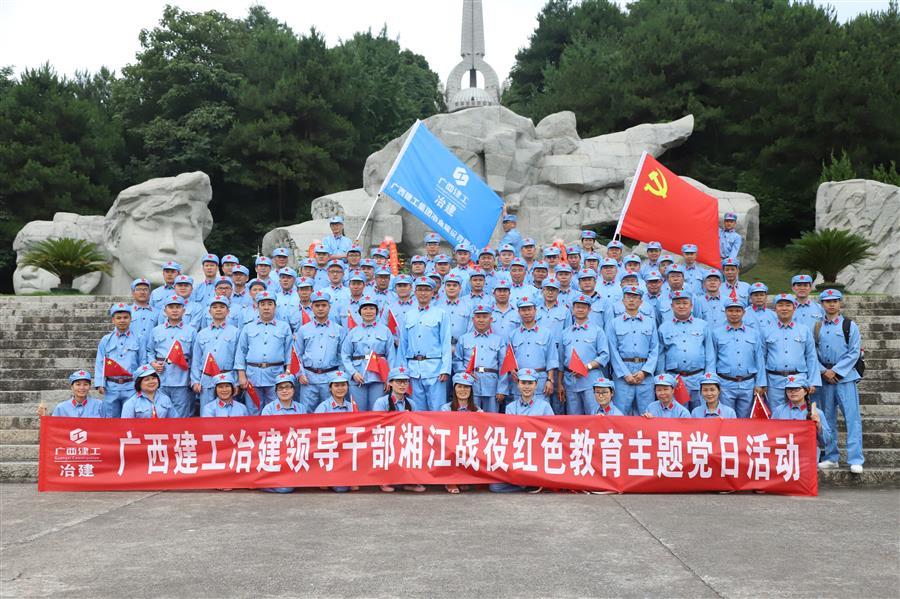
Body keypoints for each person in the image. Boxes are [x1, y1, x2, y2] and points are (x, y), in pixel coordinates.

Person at [814, 289, 864, 474]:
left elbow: (854, 352)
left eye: (835, 301)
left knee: (852, 418)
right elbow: (812, 352)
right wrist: (823, 371)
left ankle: (855, 459)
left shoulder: (849, 325)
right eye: (827, 301)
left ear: (840, 303)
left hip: (845, 377)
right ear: (822, 304)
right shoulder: (817, 327)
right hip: (825, 378)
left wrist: (836, 371)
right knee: (827, 419)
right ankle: (831, 457)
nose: (831, 304)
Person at [489, 369, 552, 493]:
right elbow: (509, 433)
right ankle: (525, 484)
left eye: (530, 383)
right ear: (518, 384)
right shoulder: (510, 407)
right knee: (495, 487)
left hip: (537, 454)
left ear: (536, 385)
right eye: (523, 383)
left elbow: (551, 432)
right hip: (517, 454)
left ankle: (534, 480)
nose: (527, 387)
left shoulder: (545, 406)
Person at [397, 277, 452, 411]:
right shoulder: (408, 315)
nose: (423, 293)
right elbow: (403, 345)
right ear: (414, 292)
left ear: (433, 293)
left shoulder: (441, 314)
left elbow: (445, 343)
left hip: (435, 369)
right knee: (416, 410)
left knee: (437, 409)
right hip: (413, 370)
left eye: (427, 290)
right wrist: (401, 370)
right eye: (420, 289)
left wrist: (445, 369)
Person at [235, 290, 292, 415]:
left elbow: (289, 352)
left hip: (276, 374)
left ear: (275, 306)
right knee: (253, 409)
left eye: (270, 304)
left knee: (276, 410)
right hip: (253, 375)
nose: (266, 307)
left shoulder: (284, 327)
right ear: (257, 306)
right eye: (262, 304)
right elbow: (241, 352)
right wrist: (241, 375)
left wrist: (288, 372)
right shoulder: (248, 327)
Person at [656, 291, 715, 411]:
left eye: (685, 303)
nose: (681, 306)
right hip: (675, 379)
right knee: (677, 414)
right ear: (672, 306)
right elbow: (660, 356)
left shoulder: (703, 325)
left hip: (698, 378)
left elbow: (710, 353)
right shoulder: (664, 328)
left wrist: (709, 378)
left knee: (701, 413)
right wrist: (663, 379)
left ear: (691, 306)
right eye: (677, 303)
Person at [762, 293, 821, 410]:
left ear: (794, 308)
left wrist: (813, 381)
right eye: (780, 305)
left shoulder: (804, 330)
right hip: (774, 381)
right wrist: (762, 382)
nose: (784, 308)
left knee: (800, 414)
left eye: (788, 305)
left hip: (799, 380)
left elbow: (811, 357)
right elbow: (761, 358)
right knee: (776, 414)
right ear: (775, 309)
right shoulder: (766, 330)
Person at [606, 286, 659, 416]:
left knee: (647, 414)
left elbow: (654, 349)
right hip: (623, 374)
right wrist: (625, 374)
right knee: (620, 414)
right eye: (628, 297)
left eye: (635, 297)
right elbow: (613, 350)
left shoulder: (650, 322)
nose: (631, 300)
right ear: (623, 301)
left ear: (641, 302)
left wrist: (644, 371)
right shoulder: (614, 323)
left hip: (644, 374)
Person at [710, 300, 766, 418]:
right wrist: (712, 382)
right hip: (725, 383)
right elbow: (712, 359)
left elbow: (759, 359)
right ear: (725, 312)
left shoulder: (753, 333)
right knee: (726, 417)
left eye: (738, 311)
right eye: (730, 311)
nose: (734, 314)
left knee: (745, 418)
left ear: (743, 312)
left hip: (748, 383)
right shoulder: (716, 333)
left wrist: (760, 383)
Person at [558, 295, 610, 415]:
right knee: (574, 417)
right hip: (570, 381)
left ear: (589, 310)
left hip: (590, 380)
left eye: (584, 307)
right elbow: (561, 360)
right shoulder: (565, 333)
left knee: (594, 415)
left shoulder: (597, 331)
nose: (580, 310)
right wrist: (560, 383)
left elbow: (605, 355)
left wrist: (587, 366)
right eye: (577, 307)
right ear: (573, 309)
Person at [293, 290, 344, 413]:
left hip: (330, 378)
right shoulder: (303, 330)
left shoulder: (339, 330)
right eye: (317, 305)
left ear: (329, 307)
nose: (320, 308)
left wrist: (340, 376)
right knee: (307, 413)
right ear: (311, 307)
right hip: (309, 379)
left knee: (331, 412)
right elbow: (297, 355)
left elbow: (342, 356)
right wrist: (300, 374)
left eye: (324, 305)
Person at [340, 295, 395, 411]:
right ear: (360, 312)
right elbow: (345, 355)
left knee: (377, 410)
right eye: (365, 308)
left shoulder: (385, 331)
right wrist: (353, 373)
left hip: (379, 376)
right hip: (358, 376)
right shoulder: (353, 332)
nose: (368, 311)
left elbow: (391, 356)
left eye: (372, 308)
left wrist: (389, 378)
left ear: (377, 311)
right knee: (358, 411)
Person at [146, 295, 196, 418]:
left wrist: (193, 378)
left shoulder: (191, 331)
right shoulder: (156, 330)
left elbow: (196, 357)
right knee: (160, 413)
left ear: (184, 311)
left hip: (182, 379)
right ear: (165, 310)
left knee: (181, 415)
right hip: (160, 378)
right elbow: (149, 351)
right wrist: (153, 363)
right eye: (171, 307)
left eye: (178, 307)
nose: (174, 310)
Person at [94, 302, 146, 418]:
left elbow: (143, 362)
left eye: (125, 317)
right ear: (113, 320)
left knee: (130, 418)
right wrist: (100, 383)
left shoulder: (139, 338)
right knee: (111, 419)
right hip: (111, 386)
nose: (122, 320)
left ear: (131, 319)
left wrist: (141, 383)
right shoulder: (106, 340)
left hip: (131, 386)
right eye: (118, 318)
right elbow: (100, 362)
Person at [452, 305, 508, 413]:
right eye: (478, 317)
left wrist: (502, 389)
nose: (481, 320)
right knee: (472, 417)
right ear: (473, 319)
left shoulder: (498, 340)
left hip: (491, 385)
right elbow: (457, 361)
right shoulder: (464, 339)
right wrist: (465, 373)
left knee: (492, 418)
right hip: (470, 384)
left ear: (491, 319)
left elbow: (503, 366)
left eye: (484, 317)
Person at [508, 296, 559, 406]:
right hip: (520, 381)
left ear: (535, 310)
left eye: (529, 309)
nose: (526, 313)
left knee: (541, 412)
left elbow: (552, 358)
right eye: (523, 310)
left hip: (540, 381)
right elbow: (509, 358)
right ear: (519, 312)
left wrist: (550, 380)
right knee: (519, 413)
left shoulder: (546, 333)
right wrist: (511, 369)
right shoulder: (513, 334)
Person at [191, 295, 240, 407]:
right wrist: (195, 381)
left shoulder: (236, 332)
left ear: (228, 311)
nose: (218, 309)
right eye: (215, 307)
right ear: (209, 311)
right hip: (207, 379)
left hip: (227, 378)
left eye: (222, 307)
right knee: (206, 411)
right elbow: (196, 359)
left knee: (228, 411)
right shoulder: (202, 333)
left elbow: (238, 359)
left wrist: (236, 382)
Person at [442, 372, 482, 494]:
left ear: (471, 390)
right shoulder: (446, 408)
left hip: (470, 443)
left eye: (466, 387)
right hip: (452, 442)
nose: (463, 390)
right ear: (454, 389)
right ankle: (450, 480)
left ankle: (465, 477)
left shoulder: (478, 410)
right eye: (459, 386)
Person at [771, 376, 832, 452]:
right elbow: (771, 434)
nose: (793, 392)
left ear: (806, 391)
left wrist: (819, 426)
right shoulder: (779, 410)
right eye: (789, 389)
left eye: (797, 389)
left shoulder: (816, 412)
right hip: (784, 453)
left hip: (807, 455)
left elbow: (827, 442)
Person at [39, 370, 105, 418]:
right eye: (78, 384)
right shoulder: (61, 408)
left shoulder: (99, 405)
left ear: (89, 386)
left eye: (85, 384)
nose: (82, 388)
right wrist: (45, 417)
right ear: (71, 387)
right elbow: (54, 427)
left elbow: (107, 425)